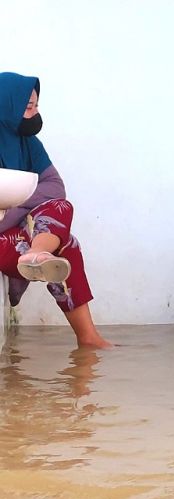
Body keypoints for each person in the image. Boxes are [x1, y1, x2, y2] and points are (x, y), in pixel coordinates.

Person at [0, 72, 110, 349]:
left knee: (61, 209)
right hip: (3, 237)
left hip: (19, 231)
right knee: (67, 244)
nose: (35, 113)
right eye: (28, 107)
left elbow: (54, 187)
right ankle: (87, 340)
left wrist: (13, 207)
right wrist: (23, 207)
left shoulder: (28, 144)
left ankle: (39, 254)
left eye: (37, 106)